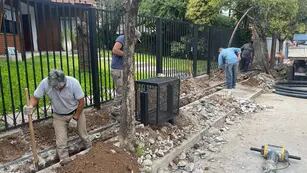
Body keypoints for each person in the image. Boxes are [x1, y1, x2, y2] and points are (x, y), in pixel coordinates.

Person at [24, 69, 91, 165]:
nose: (57, 89)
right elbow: (35, 97)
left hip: (75, 112)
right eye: (55, 87)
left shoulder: (73, 83)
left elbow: (81, 102)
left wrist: (75, 117)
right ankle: (65, 162)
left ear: (64, 81)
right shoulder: (45, 83)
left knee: (83, 134)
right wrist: (30, 106)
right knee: (61, 143)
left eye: (59, 87)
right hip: (59, 116)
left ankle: (91, 150)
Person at [111, 30, 141, 117]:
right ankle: (115, 111)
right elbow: (115, 50)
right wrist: (127, 54)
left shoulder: (128, 43)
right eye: (136, 39)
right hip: (118, 70)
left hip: (122, 70)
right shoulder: (122, 38)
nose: (135, 42)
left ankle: (121, 109)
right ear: (133, 36)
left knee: (125, 90)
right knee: (120, 91)